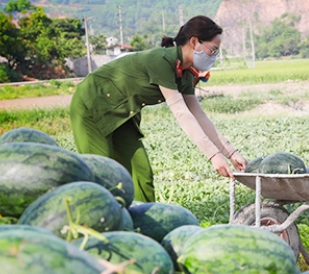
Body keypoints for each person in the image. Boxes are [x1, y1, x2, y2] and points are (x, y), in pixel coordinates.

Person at [70, 15, 247, 202]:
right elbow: (181, 113)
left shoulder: (185, 74)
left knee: (141, 174)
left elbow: (198, 116)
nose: (213, 56)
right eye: (213, 50)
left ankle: (143, 226)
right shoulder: (162, 61)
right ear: (194, 42)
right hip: (93, 105)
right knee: (101, 175)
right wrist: (213, 155)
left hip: (122, 116)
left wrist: (230, 153)